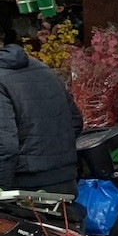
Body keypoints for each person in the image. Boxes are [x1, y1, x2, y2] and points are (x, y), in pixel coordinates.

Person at [0, 33, 83, 194]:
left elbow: (5, 147)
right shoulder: (42, 68)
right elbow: (75, 122)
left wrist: (2, 187)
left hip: (25, 189)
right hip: (65, 180)